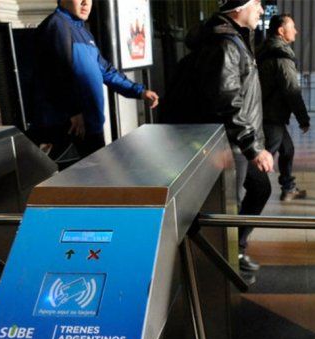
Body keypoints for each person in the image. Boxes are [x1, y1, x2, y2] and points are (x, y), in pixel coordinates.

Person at [186, 0, 274, 275]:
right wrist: (253, 146)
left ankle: (236, 248)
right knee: (229, 206)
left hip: (239, 139)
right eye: (257, 4)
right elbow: (228, 100)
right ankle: (224, 264)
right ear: (239, 8)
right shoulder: (225, 44)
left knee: (260, 189)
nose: (261, 11)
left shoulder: (236, 39)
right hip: (233, 141)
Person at [30, 0, 159, 168]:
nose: (85, 3)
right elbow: (56, 72)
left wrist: (139, 92)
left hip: (90, 126)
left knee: (97, 183)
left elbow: (105, 70)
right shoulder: (57, 25)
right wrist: (74, 111)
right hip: (72, 129)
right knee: (79, 188)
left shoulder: (82, 31)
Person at [257, 14, 311, 201]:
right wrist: (303, 119)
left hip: (269, 113)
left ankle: (288, 188)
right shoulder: (282, 56)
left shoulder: (264, 50)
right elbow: (291, 91)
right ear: (281, 31)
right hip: (271, 115)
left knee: (287, 150)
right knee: (264, 157)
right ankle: (248, 192)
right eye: (292, 27)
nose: (296, 31)